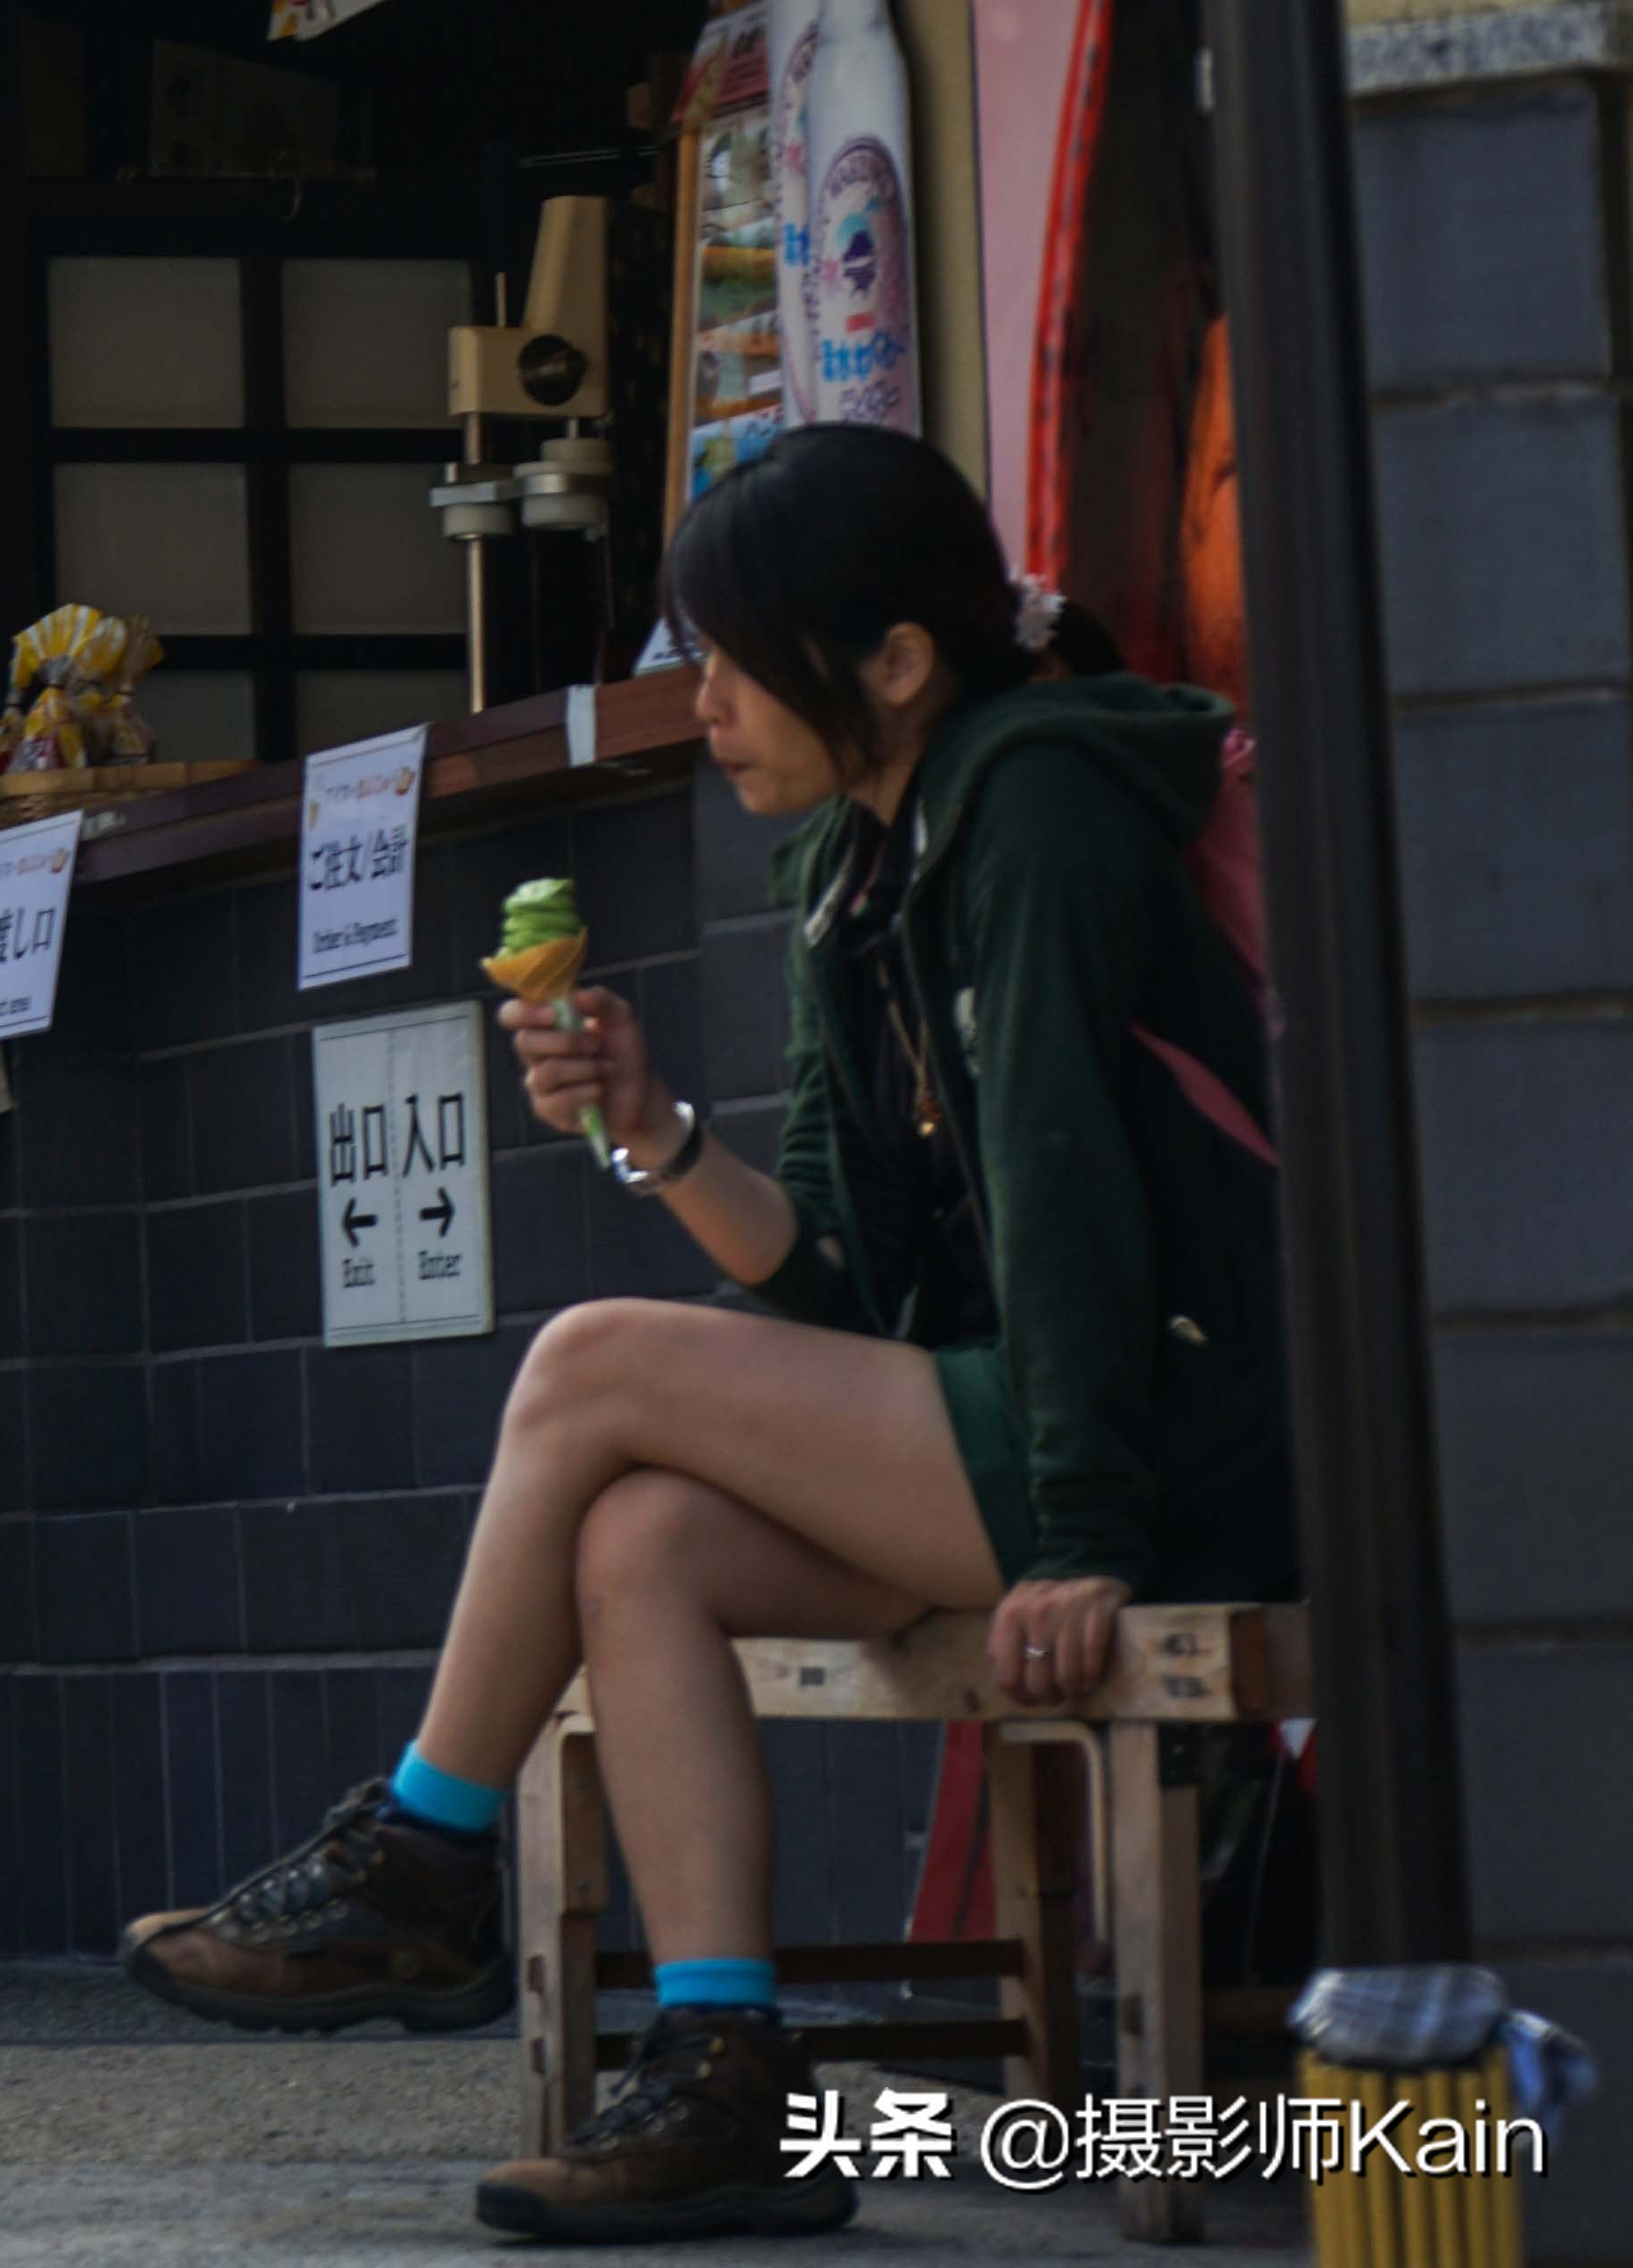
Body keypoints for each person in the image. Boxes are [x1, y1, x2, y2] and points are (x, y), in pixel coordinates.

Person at [120, 425, 1291, 2239]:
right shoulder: (848, 870)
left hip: (1180, 1437)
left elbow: (1072, 1192)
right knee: (636, 1534)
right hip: (1026, 1423)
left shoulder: (1033, 805)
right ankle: (727, 2068)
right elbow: (831, 1282)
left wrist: (1086, 1544)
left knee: (591, 1361)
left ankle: (422, 1851)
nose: (705, 702)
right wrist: (650, 1130)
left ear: (894, 664)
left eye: (738, 661)